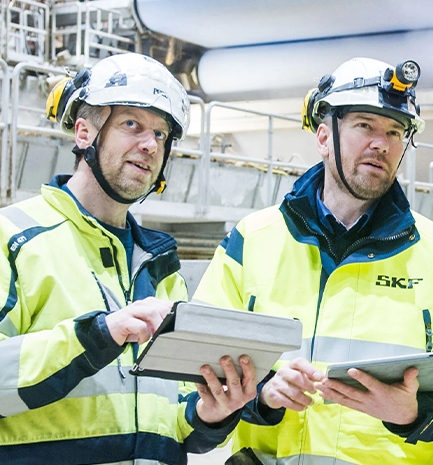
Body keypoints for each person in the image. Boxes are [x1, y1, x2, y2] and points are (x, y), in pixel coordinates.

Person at [194, 57, 433, 464]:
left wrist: (414, 413)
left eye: (395, 132)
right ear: (323, 137)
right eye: (364, 126)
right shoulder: (251, 240)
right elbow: (199, 366)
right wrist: (262, 394)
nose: (381, 144)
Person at [0, 53, 257, 464]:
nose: (150, 144)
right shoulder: (14, 236)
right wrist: (98, 335)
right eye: (132, 124)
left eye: (160, 133)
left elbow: (173, 420)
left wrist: (208, 413)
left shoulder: (160, 267)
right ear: (84, 132)